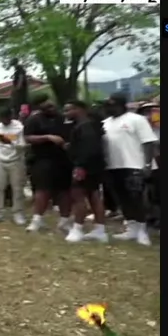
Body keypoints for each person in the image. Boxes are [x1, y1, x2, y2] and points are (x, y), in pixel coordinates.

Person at [102, 94, 158, 245]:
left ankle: (142, 231)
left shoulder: (136, 119)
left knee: (137, 199)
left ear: (121, 105)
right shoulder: (105, 123)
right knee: (122, 199)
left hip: (135, 164)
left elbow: (148, 142)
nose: (107, 107)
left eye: (111, 104)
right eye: (106, 105)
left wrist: (147, 164)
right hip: (113, 166)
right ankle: (131, 228)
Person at [23, 96, 72, 232]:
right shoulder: (34, 119)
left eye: (52, 105)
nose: (51, 108)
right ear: (41, 107)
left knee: (64, 190)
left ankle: (65, 220)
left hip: (63, 159)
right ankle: (37, 220)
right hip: (42, 159)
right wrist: (47, 137)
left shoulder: (62, 118)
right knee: (42, 190)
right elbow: (28, 137)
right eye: (47, 106)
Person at [63, 100, 110, 242]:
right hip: (95, 166)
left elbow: (89, 148)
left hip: (85, 166)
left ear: (79, 109)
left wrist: (80, 165)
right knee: (94, 195)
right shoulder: (92, 124)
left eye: (68, 110)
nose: (66, 114)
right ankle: (100, 230)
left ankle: (77, 229)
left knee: (78, 196)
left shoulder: (85, 126)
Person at [0, 107, 27, 224]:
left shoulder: (19, 127)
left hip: (16, 160)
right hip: (0, 161)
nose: (5, 121)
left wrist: (10, 140)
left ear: (11, 116)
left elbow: (22, 145)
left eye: (7, 118)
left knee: (17, 188)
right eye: (2, 118)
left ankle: (18, 213)